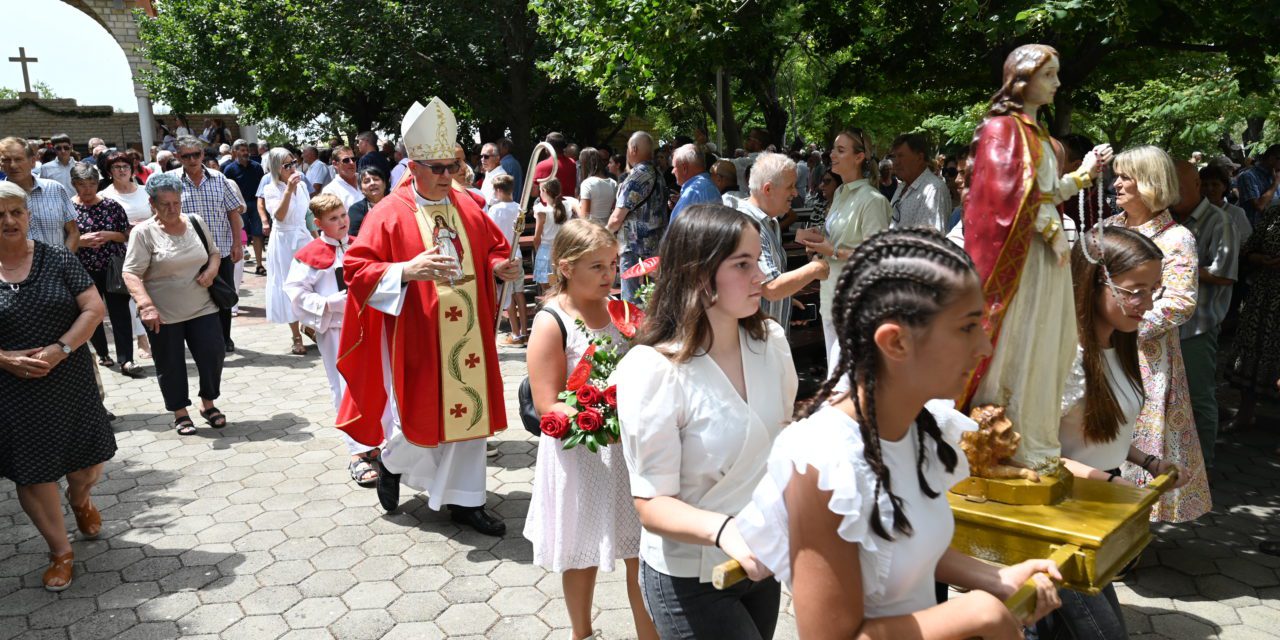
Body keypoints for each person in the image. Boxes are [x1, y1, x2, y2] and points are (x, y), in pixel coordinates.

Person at [736, 228, 1063, 640]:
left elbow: (903, 546)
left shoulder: (920, 427)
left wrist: (996, 578)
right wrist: (979, 613)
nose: (984, 347)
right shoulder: (825, 462)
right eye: (967, 328)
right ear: (896, 342)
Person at [337, 97, 522, 536]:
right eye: (437, 168)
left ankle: (466, 501)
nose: (447, 176)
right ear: (413, 166)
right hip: (419, 331)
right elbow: (356, 269)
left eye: (452, 167)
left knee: (470, 414)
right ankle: (391, 460)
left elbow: (493, 246)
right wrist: (404, 271)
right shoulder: (388, 213)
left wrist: (500, 266)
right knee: (423, 419)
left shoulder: (467, 204)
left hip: (470, 330)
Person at [616, 204, 795, 640]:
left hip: (760, 562)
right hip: (689, 578)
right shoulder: (654, 368)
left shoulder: (770, 342)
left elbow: (783, 439)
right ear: (699, 274)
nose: (761, 275)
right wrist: (725, 531)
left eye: (759, 261)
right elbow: (652, 503)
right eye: (743, 264)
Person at [959, 45, 1111, 473]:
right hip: (1022, 262)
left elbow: (1045, 192)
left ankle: (1037, 437)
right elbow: (999, 198)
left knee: (1050, 344)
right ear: (1022, 79)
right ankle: (1001, 438)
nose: (1057, 84)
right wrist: (1046, 228)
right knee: (1019, 342)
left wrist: (1084, 176)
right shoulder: (1001, 129)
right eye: (1049, 75)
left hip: (1047, 259)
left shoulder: (1039, 135)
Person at [1042, 225, 1190, 640]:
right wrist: (1110, 483)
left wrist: (1145, 461)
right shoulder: (1068, 357)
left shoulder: (1118, 344)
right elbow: (1033, 457)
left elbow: (1096, 435)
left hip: (1096, 520)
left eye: (1154, 289)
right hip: (1062, 524)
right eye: (1135, 289)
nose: (1148, 303)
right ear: (1094, 282)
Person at [525, 219, 658, 640]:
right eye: (598, 266)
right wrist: (602, 418)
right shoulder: (552, 322)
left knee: (641, 553)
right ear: (566, 267)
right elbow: (548, 402)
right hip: (582, 452)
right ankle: (582, 632)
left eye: (614, 265)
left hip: (628, 451)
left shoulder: (621, 310)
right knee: (581, 553)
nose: (610, 275)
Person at [0, 181, 115, 592]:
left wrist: (60, 349)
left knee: (87, 464)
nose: (9, 221)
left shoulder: (55, 258)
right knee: (34, 474)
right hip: (12, 390)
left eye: (16, 212)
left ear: (28, 216)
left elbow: (94, 307)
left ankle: (80, 499)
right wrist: (6, 358)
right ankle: (60, 551)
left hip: (69, 377)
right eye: (0, 215)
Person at [1105, 146, 1211, 522]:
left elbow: (1180, 302)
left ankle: (1128, 535)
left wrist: (1123, 325)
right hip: (1100, 351)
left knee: (1134, 442)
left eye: (1125, 177)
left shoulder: (1176, 238)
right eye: (1117, 175)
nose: (1116, 183)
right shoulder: (1110, 226)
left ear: (1149, 183)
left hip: (1144, 359)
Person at [284, 194, 381, 485]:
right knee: (344, 386)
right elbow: (295, 292)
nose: (341, 222)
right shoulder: (311, 254)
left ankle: (377, 440)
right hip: (337, 330)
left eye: (342, 216)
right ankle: (356, 453)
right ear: (318, 223)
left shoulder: (358, 245)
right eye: (333, 219)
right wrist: (327, 304)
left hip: (370, 325)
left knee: (376, 382)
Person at [121, 173, 227, 435]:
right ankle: (180, 412)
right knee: (171, 365)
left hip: (203, 306)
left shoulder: (195, 222)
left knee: (213, 354)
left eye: (176, 203)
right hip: (163, 314)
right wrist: (145, 305)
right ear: (152, 204)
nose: (172, 209)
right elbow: (131, 273)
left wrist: (212, 271)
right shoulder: (143, 233)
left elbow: (213, 252)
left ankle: (208, 404)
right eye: (165, 204)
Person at [794, 128, 891, 371]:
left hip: (855, 299)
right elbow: (835, 240)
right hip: (830, 292)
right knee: (835, 372)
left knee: (852, 377)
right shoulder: (839, 193)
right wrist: (818, 244)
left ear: (859, 157)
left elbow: (876, 256)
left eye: (840, 150)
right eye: (832, 149)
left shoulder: (873, 200)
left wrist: (833, 250)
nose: (832, 155)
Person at [1170, 160, 1239, 469]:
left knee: (1198, 397)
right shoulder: (1167, 217)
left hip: (1198, 325)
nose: (1171, 195)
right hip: (1163, 320)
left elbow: (1224, 274)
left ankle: (1202, 467)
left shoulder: (1219, 221)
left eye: (1178, 189)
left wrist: (1176, 268)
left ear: (1196, 186)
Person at [730, 152, 829, 334]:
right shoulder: (748, 225)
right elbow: (772, 288)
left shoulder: (770, 222)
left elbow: (768, 287)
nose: (795, 192)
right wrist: (816, 268)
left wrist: (786, 303)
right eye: (790, 187)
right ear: (768, 189)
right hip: (752, 345)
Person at [165, 136, 244, 353]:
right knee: (192, 297)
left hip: (221, 249)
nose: (192, 160)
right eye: (185, 156)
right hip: (186, 253)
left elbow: (233, 212)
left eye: (196, 154)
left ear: (203, 154)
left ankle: (224, 337)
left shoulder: (219, 179)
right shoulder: (169, 181)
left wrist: (238, 243)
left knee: (223, 296)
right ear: (177, 156)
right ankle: (198, 340)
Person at [68, 163, 141, 378]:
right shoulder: (68, 207)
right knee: (91, 314)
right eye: (82, 185)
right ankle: (102, 352)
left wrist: (109, 235)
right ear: (74, 185)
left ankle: (126, 359)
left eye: (92, 184)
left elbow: (125, 234)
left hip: (111, 267)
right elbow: (63, 239)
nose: (88, 189)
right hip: (82, 269)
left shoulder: (111, 205)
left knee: (120, 313)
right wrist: (80, 242)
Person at [1225, 203, 1280, 434]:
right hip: (1263, 297)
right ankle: (1245, 415)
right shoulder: (1274, 212)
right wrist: (1261, 260)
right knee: (1251, 353)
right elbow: (1249, 249)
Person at [98, 152, 154, 360]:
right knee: (131, 296)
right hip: (123, 250)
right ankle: (141, 337)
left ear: (132, 169)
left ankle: (159, 333)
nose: (122, 170)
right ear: (109, 171)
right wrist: (128, 229)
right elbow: (104, 225)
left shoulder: (145, 190)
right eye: (116, 167)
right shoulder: (105, 196)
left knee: (154, 291)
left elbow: (158, 213)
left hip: (151, 246)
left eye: (125, 166)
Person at [262, 148, 314, 356]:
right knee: (288, 284)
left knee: (311, 281)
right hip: (284, 240)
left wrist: (317, 238)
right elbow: (280, 216)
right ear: (277, 169)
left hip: (302, 237)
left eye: (293, 162)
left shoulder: (302, 185)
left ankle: (310, 324)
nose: (292, 168)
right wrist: (288, 191)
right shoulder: (271, 188)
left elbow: (308, 214)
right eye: (287, 165)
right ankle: (296, 335)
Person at [608, 132, 668, 301]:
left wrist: (604, 234)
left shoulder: (636, 177)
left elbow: (617, 218)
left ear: (633, 149)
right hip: (655, 249)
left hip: (634, 249)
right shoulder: (658, 174)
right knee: (653, 301)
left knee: (631, 304)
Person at [0, 137, 79, 253]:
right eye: (6, 160)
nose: (13, 165)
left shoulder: (55, 189)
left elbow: (73, 232)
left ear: (32, 162)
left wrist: (63, 264)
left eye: (18, 159)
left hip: (56, 268)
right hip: (13, 269)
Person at [485, 174, 527, 344]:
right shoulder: (519, 208)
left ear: (499, 190)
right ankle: (524, 331)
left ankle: (515, 333)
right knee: (519, 293)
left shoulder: (495, 209)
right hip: (517, 254)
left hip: (504, 255)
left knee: (507, 296)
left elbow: (491, 232)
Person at [887, 133, 952, 232]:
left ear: (920, 158)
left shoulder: (934, 189)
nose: (895, 162)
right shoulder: (902, 186)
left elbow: (931, 241)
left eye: (901, 156)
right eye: (894, 157)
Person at [220, 140, 266, 273]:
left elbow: (262, 188)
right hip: (238, 207)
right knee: (239, 234)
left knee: (258, 234)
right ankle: (240, 267)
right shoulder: (229, 169)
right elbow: (226, 190)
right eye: (242, 150)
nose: (245, 153)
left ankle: (259, 264)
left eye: (246, 150)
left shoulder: (257, 167)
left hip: (255, 204)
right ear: (234, 152)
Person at [532, 178, 578, 292]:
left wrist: (538, 249)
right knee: (559, 285)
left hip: (546, 251)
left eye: (541, 190)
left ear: (545, 191)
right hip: (562, 249)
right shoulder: (567, 205)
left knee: (549, 289)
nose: (540, 193)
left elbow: (536, 238)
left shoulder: (541, 210)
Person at [669, 144, 722, 222]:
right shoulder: (706, 186)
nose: (672, 172)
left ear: (684, 168)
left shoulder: (694, 191)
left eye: (674, 167)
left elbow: (678, 231)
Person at [1236, 144, 1280, 227]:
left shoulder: (1275, 174)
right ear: (1271, 159)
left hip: (1273, 229)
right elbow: (1259, 206)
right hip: (1257, 232)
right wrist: (1275, 183)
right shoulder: (1248, 176)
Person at [576, 147, 616, 225]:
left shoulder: (587, 183)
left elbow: (584, 217)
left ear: (584, 164)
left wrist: (574, 205)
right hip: (607, 229)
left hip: (592, 230)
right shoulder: (613, 183)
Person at [346, 167, 388, 238]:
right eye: (366, 181)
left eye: (376, 179)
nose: (372, 183)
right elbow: (355, 237)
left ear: (384, 184)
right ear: (361, 189)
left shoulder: (396, 203)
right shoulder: (356, 210)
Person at [534, 132, 579, 196]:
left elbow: (534, 193)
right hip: (568, 205)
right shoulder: (572, 163)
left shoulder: (542, 166)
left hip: (548, 205)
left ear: (548, 146)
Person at [321, 146, 363, 211]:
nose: (351, 163)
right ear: (335, 164)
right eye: (346, 160)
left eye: (353, 159)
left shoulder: (366, 180)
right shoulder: (330, 191)